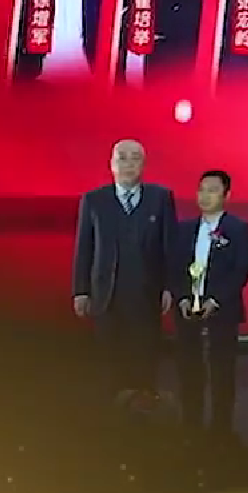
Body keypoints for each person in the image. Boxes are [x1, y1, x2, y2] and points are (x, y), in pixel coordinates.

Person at [71, 138, 173, 395]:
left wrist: (169, 287)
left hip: (146, 296)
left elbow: (169, 247)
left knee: (145, 362)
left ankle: (144, 410)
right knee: (111, 365)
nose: (128, 164)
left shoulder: (160, 198)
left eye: (135, 158)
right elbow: (84, 248)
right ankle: (113, 414)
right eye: (122, 158)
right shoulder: (94, 200)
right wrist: (81, 291)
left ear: (144, 164)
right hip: (106, 297)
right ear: (111, 164)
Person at [170, 169, 248, 439]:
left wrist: (216, 300)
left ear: (227, 195)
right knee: (189, 369)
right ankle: (190, 425)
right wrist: (182, 297)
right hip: (186, 311)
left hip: (223, 311)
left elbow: (240, 270)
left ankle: (221, 429)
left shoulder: (238, 229)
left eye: (213, 190)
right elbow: (175, 267)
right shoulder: (184, 229)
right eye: (202, 189)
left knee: (222, 371)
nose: (205, 196)